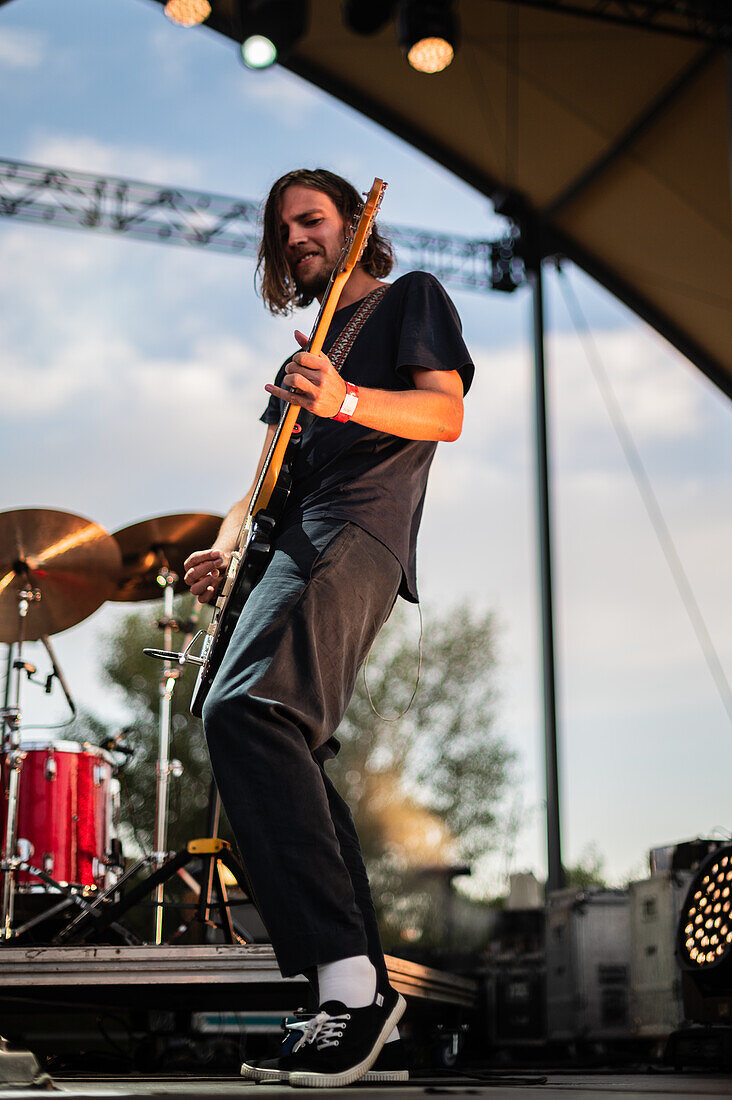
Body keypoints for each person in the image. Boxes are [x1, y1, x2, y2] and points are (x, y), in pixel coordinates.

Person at [183, 168, 474, 1088]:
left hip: (355, 528)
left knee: (250, 713)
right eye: (284, 229)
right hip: (286, 539)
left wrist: (345, 397)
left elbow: (446, 413)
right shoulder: (303, 350)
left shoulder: (407, 300)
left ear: (355, 224)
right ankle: (347, 988)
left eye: (313, 218)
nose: (298, 235)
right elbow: (262, 475)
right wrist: (226, 546)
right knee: (279, 741)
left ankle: (350, 985)